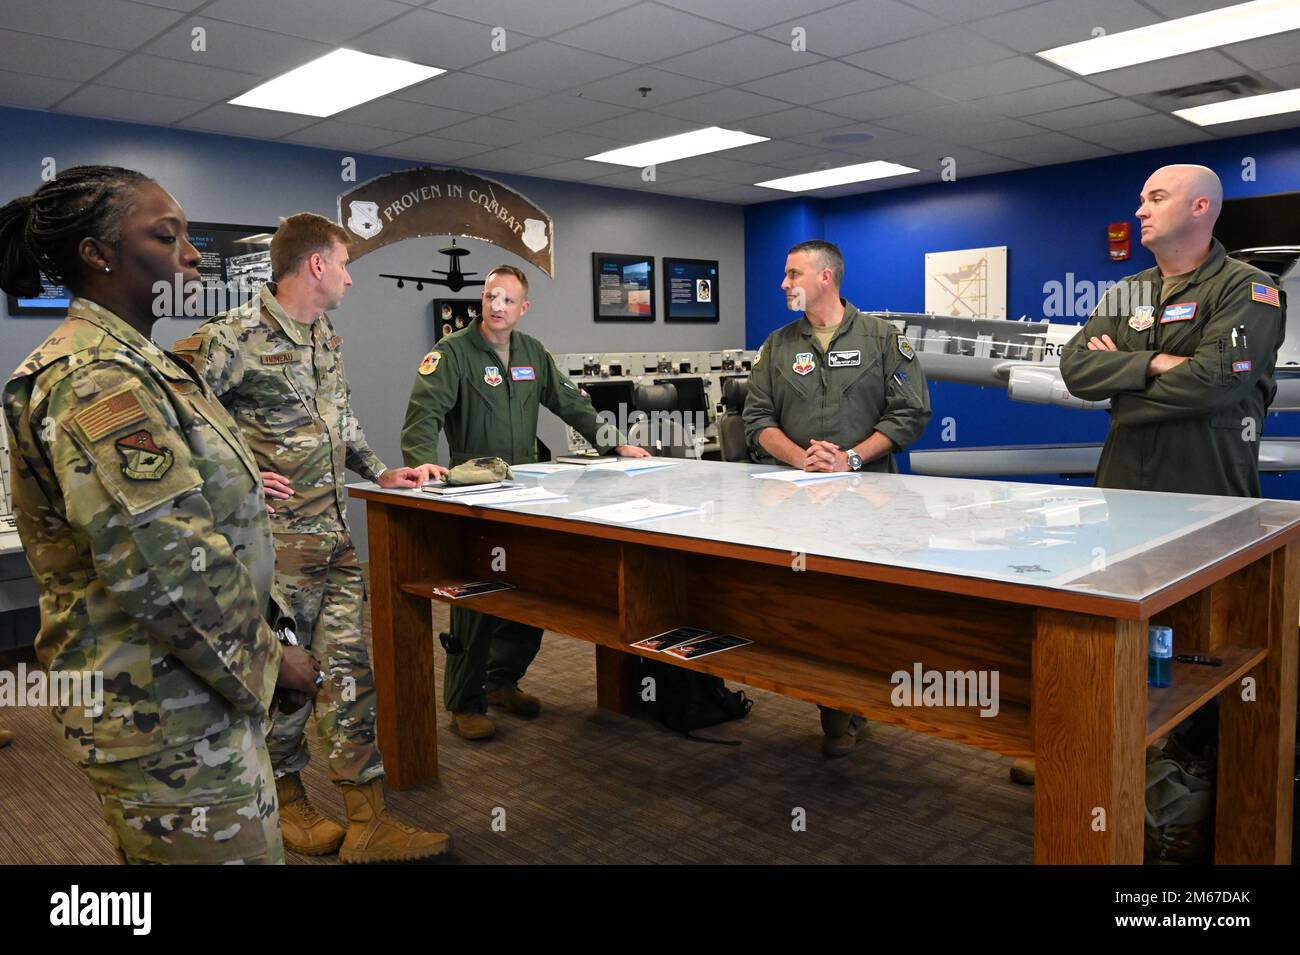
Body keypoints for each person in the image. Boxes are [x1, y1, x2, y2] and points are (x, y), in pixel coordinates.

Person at [1, 165, 319, 863]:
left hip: (194, 692)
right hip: (162, 713)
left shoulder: (147, 364)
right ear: (99, 253)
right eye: (167, 235)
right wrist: (274, 663)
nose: (194, 252)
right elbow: (166, 564)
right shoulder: (97, 378)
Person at [179, 213, 451, 864]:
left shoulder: (323, 334)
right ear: (317, 266)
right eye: (346, 262)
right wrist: (234, 474)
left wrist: (382, 469)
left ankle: (368, 817)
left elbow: (342, 422)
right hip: (274, 551)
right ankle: (289, 801)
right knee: (287, 681)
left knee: (350, 671)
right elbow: (172, 416)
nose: (353, 278)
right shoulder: (233, 335)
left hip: (332, 537)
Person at [1039, 163, 1286, 790]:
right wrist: (1157, 364)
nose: (1140, 211)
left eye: (1156, 198)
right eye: (1141, 199)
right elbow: (1075, 371)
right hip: (1123, 488)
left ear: (1201, 207)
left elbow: (1216, 384)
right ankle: (1122, 751)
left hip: (1205, 489)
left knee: (1206, 635)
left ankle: (1190, 773)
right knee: (1124, 625)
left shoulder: (1250, 289)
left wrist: (1123, 378)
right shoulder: (1127, 293)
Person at [401, 264, 649, 741]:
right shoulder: (451, 353)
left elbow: (571, 403)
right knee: (476, 602)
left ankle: (501, 681)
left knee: (531, 592)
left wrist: (613, 441)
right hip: (477, 493)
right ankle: (464, 701)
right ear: (482, 299)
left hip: (530, 491)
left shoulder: (533, 353)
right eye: (491, 296)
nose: (497, 306)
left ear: (523, 308)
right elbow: (423, 414)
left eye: (508, 300)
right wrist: (419, 463)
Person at [743, 240, 932, 757]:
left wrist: (849, 458)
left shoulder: (883, 339)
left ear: (825, 277)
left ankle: (857, 704)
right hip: (800, 505)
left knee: (868, 607)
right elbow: (756, 419)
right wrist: (801, 458)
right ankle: (835, 711)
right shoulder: (777, 345)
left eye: (792, 273)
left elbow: (910, 413)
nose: (783, 283)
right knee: (815, 610)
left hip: (870, 499)